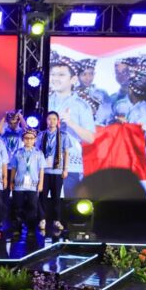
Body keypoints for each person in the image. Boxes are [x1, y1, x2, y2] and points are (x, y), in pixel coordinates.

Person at [48, 53, 96, 197]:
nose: (55, 78)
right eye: (53, 74)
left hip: (70, 165)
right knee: (44, 204)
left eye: (61, 75)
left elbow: (90, 138)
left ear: (73, 79)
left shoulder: (82, 106)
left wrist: (71, 123)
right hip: (45, 164)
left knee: (69, 203)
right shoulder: (44, 101)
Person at [37, 111, 71, 233]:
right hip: (44, 171)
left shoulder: (63, 135)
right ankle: (42, 219)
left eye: (54, 119)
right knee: (42, 196)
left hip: (57, 171)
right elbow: (37, 152)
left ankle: (56, 220)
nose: (51, 121)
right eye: (49, 119)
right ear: (46, 121)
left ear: (58, 121)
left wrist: (65, 169)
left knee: (56, 197)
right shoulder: (41, 135)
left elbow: (66, 153)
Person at [10, 129, 45, 235]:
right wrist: (12, 181)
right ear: (23, 139)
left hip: (33, 185)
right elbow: (14, 168)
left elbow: (41, 170)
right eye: (26, 138)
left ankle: (31, 229)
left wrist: (41, 183)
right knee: (17, 207)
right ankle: (17, 228)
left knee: (32, 207)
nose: (29, 140)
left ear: (35, 140)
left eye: (31, 138)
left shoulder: (38, 153)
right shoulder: (18, 152)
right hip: (19, 184)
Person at [77, 58, 110, 125]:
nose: (88, 78)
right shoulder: (72, 93)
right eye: (84, 74)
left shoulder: (101, 93)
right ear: (77, 76)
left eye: (91, 74)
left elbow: (108, 112)